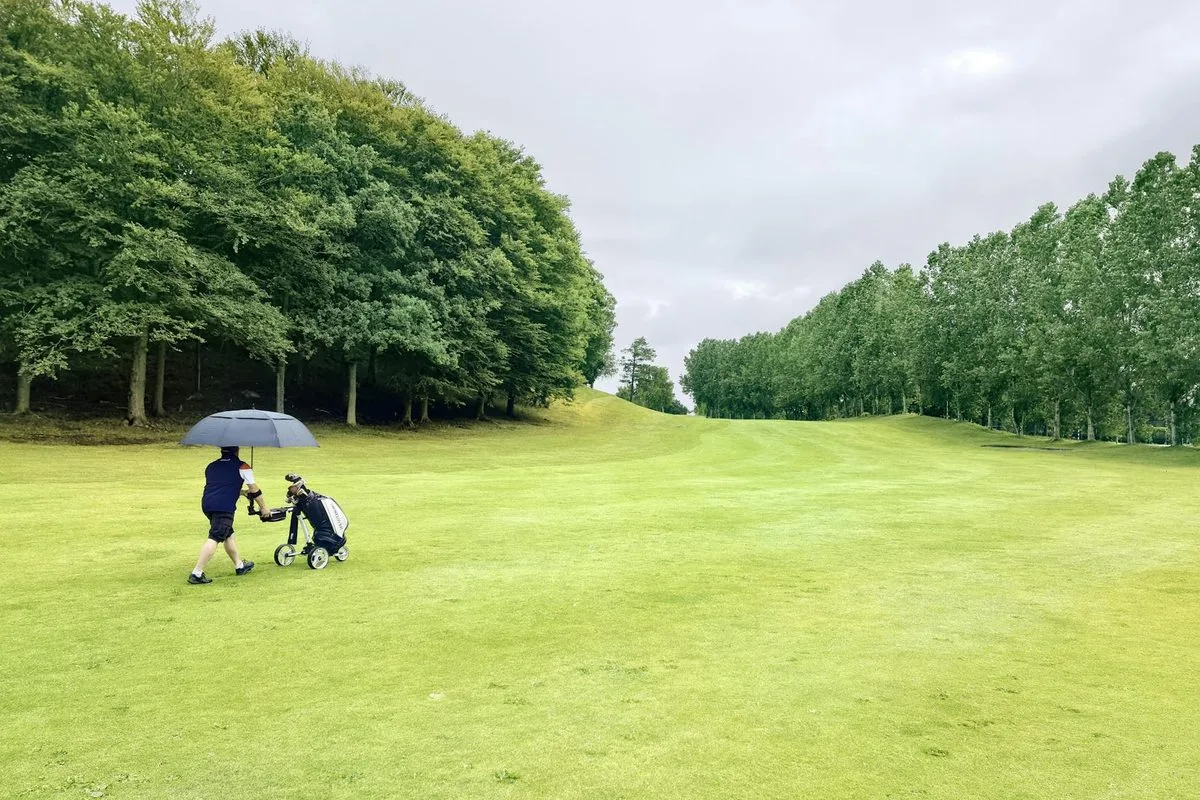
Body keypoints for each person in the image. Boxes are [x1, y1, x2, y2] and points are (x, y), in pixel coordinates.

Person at [188, 446, 270, 584]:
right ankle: (197, 573)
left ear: (222, 450)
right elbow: (254, 489)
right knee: (215, 536)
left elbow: (222, 486)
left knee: (228, 534)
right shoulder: (243, 466)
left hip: (207, 505)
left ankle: (239, 566)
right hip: (224, 507)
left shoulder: (211, 466)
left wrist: (243, 493)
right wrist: (264, 508)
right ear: (237, 451)